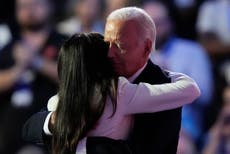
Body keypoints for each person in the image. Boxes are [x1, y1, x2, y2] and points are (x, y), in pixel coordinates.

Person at [23, 7, 199, 154]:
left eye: (120, 45)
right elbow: (31, 127)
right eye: (108, 43)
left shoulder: (149, 86)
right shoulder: (93, 82)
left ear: (146, 48)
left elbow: (153, 148)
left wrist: (90, 145)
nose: (110, 53)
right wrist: (58, 121)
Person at [142, 1, 213, 150]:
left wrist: (171, 78)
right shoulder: (132, 53)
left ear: (170, 23)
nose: (153, 29)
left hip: (182, 125)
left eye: (159, 23)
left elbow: (205, 95)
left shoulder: (192, 51)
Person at [0, 0, 66, 153]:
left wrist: (35, 61)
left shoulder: (64, 42)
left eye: (35, 4)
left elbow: (72, 76)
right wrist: (18, 68)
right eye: (23, 6)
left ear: (49, 6)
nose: (29, 11)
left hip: (53, 133)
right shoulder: (9, 46)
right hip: (11, 134)